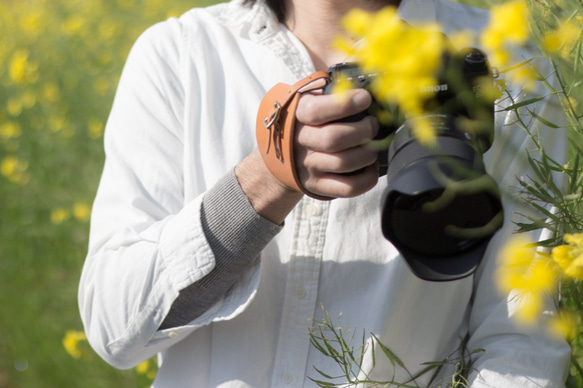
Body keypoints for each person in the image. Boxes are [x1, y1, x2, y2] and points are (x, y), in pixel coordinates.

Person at [78, 0, 571, 386]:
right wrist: (265, 181)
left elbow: (520, 339)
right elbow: (116, 328)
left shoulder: (509, 69)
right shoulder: (181, 55)